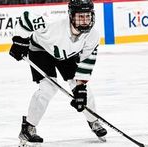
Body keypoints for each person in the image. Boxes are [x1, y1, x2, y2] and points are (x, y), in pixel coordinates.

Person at [9, 0, 107, 144]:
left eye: (87, 16)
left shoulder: (93, 36)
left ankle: (94, 121)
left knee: (82, 90)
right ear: (71, 16)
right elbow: (27, 17)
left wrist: (80, 88)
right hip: (41, 51)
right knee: (48, 89)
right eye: (80, 17)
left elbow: (86, 63)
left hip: (66, 55)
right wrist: (20, 41)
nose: (85, 21)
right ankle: (28, 128)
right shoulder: (53, 27)